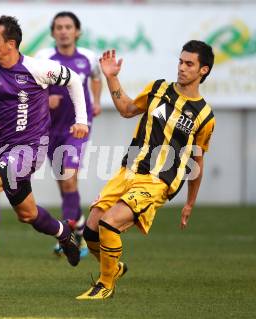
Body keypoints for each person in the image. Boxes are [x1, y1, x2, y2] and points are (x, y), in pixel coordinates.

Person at [0, 15, 89, 284]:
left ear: (11, 44)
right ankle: (64, 233)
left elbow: (72, 80)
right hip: (3, 151)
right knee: (28, 215)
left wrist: (81, 120)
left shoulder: (36, 69)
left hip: (30, 149)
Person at [77, 40, 215, 299]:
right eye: (180, 61)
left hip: (157, 182)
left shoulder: (204, 116)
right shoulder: (159, 88)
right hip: (127, 171)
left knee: (110, 223)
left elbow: (197, 160)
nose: (182, 68)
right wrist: (111, 78)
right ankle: (114, 268)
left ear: (203, 70)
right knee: (92, 230)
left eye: (189, 64)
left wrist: (190, 202)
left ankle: (105, 286)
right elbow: (127, 109)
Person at [35, 11, 102, 258]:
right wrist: (44, 98)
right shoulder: (43, 58)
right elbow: (31, 84)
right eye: (59, 27)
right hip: (50, 127)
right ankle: (80, 231)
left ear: (77, 32)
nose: (63, 31)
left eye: (68, 27)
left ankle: (68, 236)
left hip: (79, 125)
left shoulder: (88, 58)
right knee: (64, 184)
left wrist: (96, 101)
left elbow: (96, 77)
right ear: (53, 33)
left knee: (69, 178)